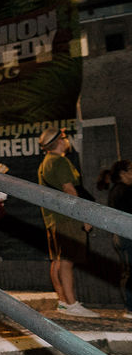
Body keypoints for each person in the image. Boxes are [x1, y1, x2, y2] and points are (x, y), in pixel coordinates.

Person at [37, 127, 98, 318]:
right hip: (66, 218)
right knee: (67, 260)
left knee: (57, 260)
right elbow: (70, 190)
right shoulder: (60, 161)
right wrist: (84, 216)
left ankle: (63, 301)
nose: (67, 141)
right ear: (59, 141)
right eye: (64, 137)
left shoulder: (45, 163)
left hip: (52, 218)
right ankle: (72, 304)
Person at [103, 160, 132, 319]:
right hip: (126, 236)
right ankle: (130, 308)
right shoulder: (122, 191)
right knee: (130, 271)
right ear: (123, 173)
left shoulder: (119, 190)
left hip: (123, 236)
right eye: (131, 169)